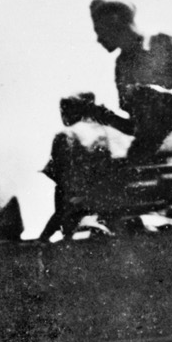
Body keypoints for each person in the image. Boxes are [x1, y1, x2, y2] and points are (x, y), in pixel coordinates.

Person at [86, 0, 172, 162]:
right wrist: (102, 116)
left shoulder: (163, 43)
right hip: (148, 143)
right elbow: (135, 127)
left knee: (167, 159)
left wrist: (164, 98)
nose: (98, 39)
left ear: (114, 20)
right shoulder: (122, 65)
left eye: (99, 30)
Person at [38, 93, 121, 241]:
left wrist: (44, 237)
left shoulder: (67, 136)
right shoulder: (119, 134)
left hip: (84, 224)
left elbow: (65, 193)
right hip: (121, 219)